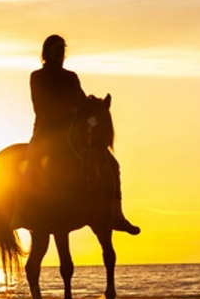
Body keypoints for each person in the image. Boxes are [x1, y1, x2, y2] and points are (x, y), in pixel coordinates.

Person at [27, 34, 140, 235]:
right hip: (47, 132)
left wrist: (95, 105)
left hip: (73, 132)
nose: (59, 53)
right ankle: (24, 208)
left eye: (62, 49)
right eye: (55, 49)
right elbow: (40, 107)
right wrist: (67, 110)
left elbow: (81, 100)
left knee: (112, 164)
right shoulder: (37, 77)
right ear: (47, 52)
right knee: (31, 160)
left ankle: (117, 214)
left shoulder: (71, 77)